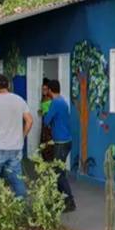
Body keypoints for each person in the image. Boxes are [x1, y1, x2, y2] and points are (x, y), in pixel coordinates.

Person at [0, 74, 33, 198]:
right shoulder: (19, 99)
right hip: (16, 147)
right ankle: (21, 208)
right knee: (17, 179)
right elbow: (29, 121)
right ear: (9, 85)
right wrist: (22, 136)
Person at [43, 79, 76, 212]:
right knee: (58, 171)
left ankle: (70, 202)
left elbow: (46, 120)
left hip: (61, 142)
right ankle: (58, 198)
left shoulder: (55, 103)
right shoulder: (63, 101)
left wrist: (46, 112)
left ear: (50, 90)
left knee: (59, 173)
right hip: (66, 141)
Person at [39, 78, 53, 161]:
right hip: (44, 125)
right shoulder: (43, 99)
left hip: (48, 126)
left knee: (47, 146)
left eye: (45, 89)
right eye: (42, 89)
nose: (43, 91)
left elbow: (48, 114)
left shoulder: (50, 100)